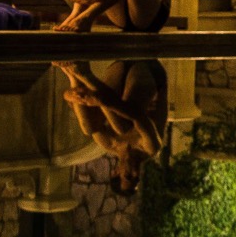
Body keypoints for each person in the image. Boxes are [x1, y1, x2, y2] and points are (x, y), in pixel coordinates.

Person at [56, 59, 167, 193]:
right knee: (122, 127)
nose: (136, 173)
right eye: (137, 178)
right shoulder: (150, 148)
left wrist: (71, 96)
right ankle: (85, 75)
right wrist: (102, 102)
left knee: (88, 129)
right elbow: (139, 117)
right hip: (149, 71)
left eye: (128, 176)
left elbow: (83, 111)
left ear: (115, 172)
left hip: (120, 70)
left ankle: (72, 76)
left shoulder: (109, 143)